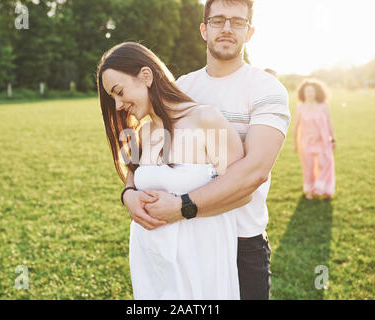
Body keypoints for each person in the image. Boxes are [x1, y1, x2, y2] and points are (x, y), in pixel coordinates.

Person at [122, 0, 290, 300]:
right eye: (218, 20)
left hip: (241, 241)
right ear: (204, 29)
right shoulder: (183, 88)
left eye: (237, 22)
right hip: (187, 241)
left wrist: (182, 206)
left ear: (250, 32)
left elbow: (254, 171)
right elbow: (148, 152)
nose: (227, 28)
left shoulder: (267, 89)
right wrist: (128, 192)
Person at [97, 42, 252, 299]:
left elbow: (242, 192)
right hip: (153, 266)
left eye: (119, 92)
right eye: (112, 98)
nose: (118, 105)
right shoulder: (143, 133)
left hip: (199, 267)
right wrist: (127, 196)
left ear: (146, 76)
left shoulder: (205, 119)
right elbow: (132, 179)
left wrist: (183, 207)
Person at [293, 79, 336, 199]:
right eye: (307, 91)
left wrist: (333, 139)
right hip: (305, 142)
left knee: (325, 164)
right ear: (303, 93)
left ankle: (325, 188)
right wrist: (295, 144)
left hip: (322, 141)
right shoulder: (300, 108)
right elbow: (295, 127)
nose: (310, 93)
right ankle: (310, 190)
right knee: (308, 167)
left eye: (312, 91)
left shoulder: (323, 106)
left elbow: (329, 123)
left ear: (316, 92)